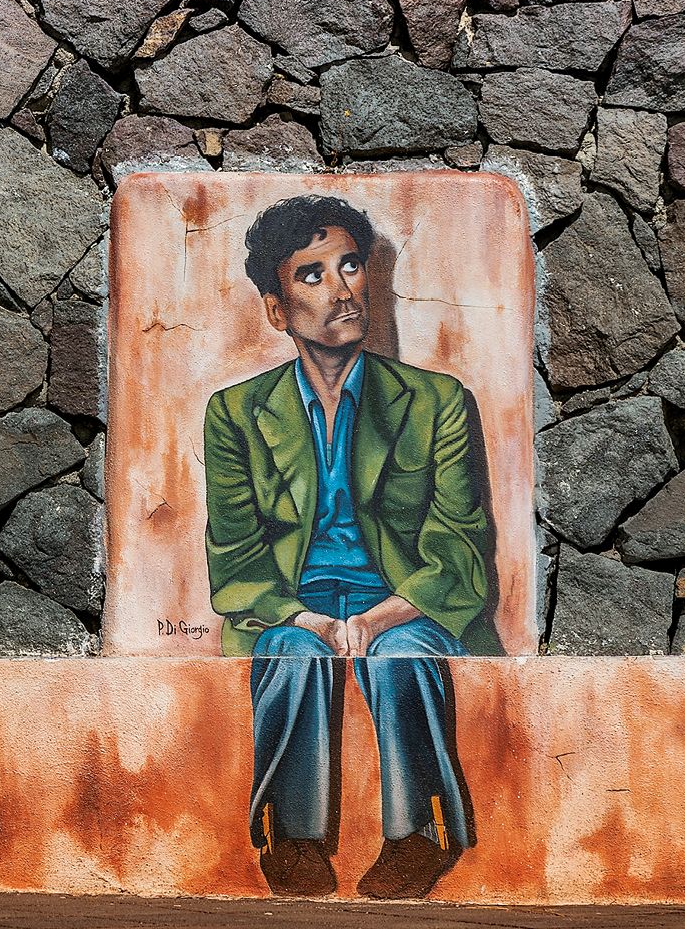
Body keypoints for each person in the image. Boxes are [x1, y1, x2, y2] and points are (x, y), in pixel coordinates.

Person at [202, 194, 497, 900]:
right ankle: (290, 839)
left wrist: (375, 619)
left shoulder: (438, 402)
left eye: (352, 266)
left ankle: (420, 836)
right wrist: (309, 621)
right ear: (276, 310)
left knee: (403, 656)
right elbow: (237, 562)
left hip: (401, 605)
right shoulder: (235, 415)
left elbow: (459, 549)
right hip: (292, 610)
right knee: (292, 657)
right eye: (312, 275)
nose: (342, 290)